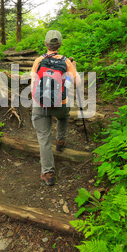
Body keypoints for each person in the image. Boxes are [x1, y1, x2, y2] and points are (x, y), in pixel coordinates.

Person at [31, 30, 81, 186]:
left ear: (46, 44)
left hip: (40, 105)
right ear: (60, 44)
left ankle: (48, 173)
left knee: (44, 138)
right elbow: (77, 83)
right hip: (60, 104)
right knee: (64, 116)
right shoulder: (66, 62)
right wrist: (74, 67)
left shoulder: (39, 60)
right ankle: (60, 140)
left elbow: (33, 81)